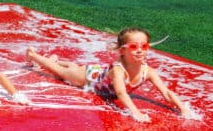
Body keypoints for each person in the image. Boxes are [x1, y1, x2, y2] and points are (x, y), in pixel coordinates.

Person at [26, 27, 190, 122]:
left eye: (144, 46)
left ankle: (55, 59)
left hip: (97, 72)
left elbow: (167, 92)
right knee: (61, 73)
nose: (140, 50)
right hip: (86, 78)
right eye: (134, 47)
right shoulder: (118, 70)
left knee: (68, 68)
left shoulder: (148, 71)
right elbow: (121, 93)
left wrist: (183, 109)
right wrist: (137, 113)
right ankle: (33, 55)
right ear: (122, 50)